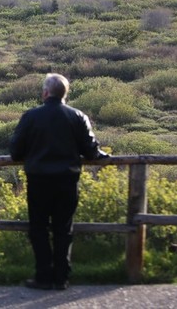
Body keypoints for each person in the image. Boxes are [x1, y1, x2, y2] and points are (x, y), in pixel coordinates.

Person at [9, 73, 109, 291]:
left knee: (39, 228)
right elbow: (91, 151)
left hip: (39, 180)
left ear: (45, 92)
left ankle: (44, 277)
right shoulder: (77, 116)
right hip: (67, 180)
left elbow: (15, 152)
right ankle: (62, 277)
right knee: (64, 229)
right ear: (65, 94)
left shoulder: (31, 117)